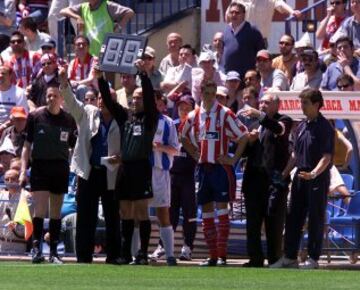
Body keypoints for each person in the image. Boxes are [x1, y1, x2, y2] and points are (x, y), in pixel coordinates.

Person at [59, 65, 123, 264]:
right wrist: (63, 82)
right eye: (101, 98)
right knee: (86, 216)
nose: (103, 102)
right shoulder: (87, 112)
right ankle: (83, 257)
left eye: (108, 98)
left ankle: (114, 256)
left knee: (113, 216)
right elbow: (70, 102)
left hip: (112, 172)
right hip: (89, 172)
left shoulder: (121, 118)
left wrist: (122, 157)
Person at [98, 61, 159, 265]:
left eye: (139, 98)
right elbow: (108, 99)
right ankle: (125, 253)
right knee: (124, 211)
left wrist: (143, 75)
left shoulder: (150, 118)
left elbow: (150, 98)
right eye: (134, 98)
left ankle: (142, 253)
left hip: (141, 168)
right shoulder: (126, 117)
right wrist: (100, 78)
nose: (136, 101)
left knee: (141, 211)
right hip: (125, 169)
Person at [181, 79, 248, 266]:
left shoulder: (225, 114)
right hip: (203, 169)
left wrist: (233, 159)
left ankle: (222, 255)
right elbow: (182, 135)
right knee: (207, 212)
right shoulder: (194, 115)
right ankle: (212, 255)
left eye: (214, 93)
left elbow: (243, 136)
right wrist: (193, 152)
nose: (210, 97)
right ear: (201, 93)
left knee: (222, 211)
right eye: (207, 93)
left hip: (220, 169)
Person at [271, 88, 335, 269]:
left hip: (317, 178)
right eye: (301, 103)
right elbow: (295, 155)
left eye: (305, 103)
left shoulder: (326, 128)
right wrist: (284, 173)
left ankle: (313, 259)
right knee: (293, 217)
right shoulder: (301, 126)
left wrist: (314, 173)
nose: (302, 106)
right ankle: (290, 257)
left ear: (316, 104)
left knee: (315, 218)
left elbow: (327, 157)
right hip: (300, 176)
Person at [20, 83, 77, 264]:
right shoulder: (35, 116)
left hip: (60, 168)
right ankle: (36, 249)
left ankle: (54, 252)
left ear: (61, 98)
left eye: (55, 96)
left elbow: (74, 146)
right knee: (40, 210)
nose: (51, 99)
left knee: (55, 212)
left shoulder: (68, 120)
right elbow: (27, 146)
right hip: (40, 167)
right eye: (49, 96)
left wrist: (75, 168)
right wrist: (23, 171)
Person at [239, 93, 292, 267]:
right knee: (253, 223)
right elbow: (243, 153)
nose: (262, 105)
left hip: (273, 182)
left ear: (277, 105)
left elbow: (279, 130)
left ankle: (275, 259)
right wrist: (250, 141)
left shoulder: (284, 120)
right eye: (261, 102)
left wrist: (259, 115)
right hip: (253, 180)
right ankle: (255, 258)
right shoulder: (254, 125)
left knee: (273, 222)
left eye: (267, 102)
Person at [149, 92, 179, 266]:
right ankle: (136, 254)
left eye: (158, 102)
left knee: (163, 213)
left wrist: (160, 147)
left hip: (160, 172)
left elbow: (175, 150)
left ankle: (169, 255)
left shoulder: (168, 123)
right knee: (138, 213)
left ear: (162, 105)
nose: (155, 105)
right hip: (142, 172)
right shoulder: (140, 120)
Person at [60, 0, 134, 56]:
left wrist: (119, 27)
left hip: (106, 52)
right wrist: (77, 17)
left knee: (108, 76)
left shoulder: (108, 5)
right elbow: (63, 11)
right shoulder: (83, 7)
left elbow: (129, 12)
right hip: (89, 55)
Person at [228, 0, 301, 45]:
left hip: (259, 41)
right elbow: (228, 15)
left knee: (260, 68)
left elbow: (280, 4)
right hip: (240, 39)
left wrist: (292, 11)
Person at [222, 1, 265, 77]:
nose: (234, 15)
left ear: (244, 15)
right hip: (228, 78)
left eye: (237, 13)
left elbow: (261, 53)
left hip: (246, 78)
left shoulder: (252, 30)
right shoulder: (226, 30)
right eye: (231, 12)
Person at [0, 169, 32, 254]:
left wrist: (15, 226)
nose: (10, 182)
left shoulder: (26, 196)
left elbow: (27, 222)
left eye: (13, 179)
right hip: (1, 244)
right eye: (7, 179)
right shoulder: (1, 195)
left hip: (18, 244)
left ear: (19, 180)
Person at [67, 35, 97, 101]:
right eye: (78, 44)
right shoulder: (72, 62)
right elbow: (69, 80)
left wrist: (77, 83)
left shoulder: (94, 60)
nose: (81, 46)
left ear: (88, 47)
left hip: (93, 93)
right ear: (74, 48)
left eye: (84, 44)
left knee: (81, 88)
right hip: (75, 91)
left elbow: (90, 80)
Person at [0, 65, 28, 129]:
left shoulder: (19, 93)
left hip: (11, 129)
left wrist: (3, 126)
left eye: (3, 73)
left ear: (10, 76)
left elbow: (22, 117)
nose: (0, 76)